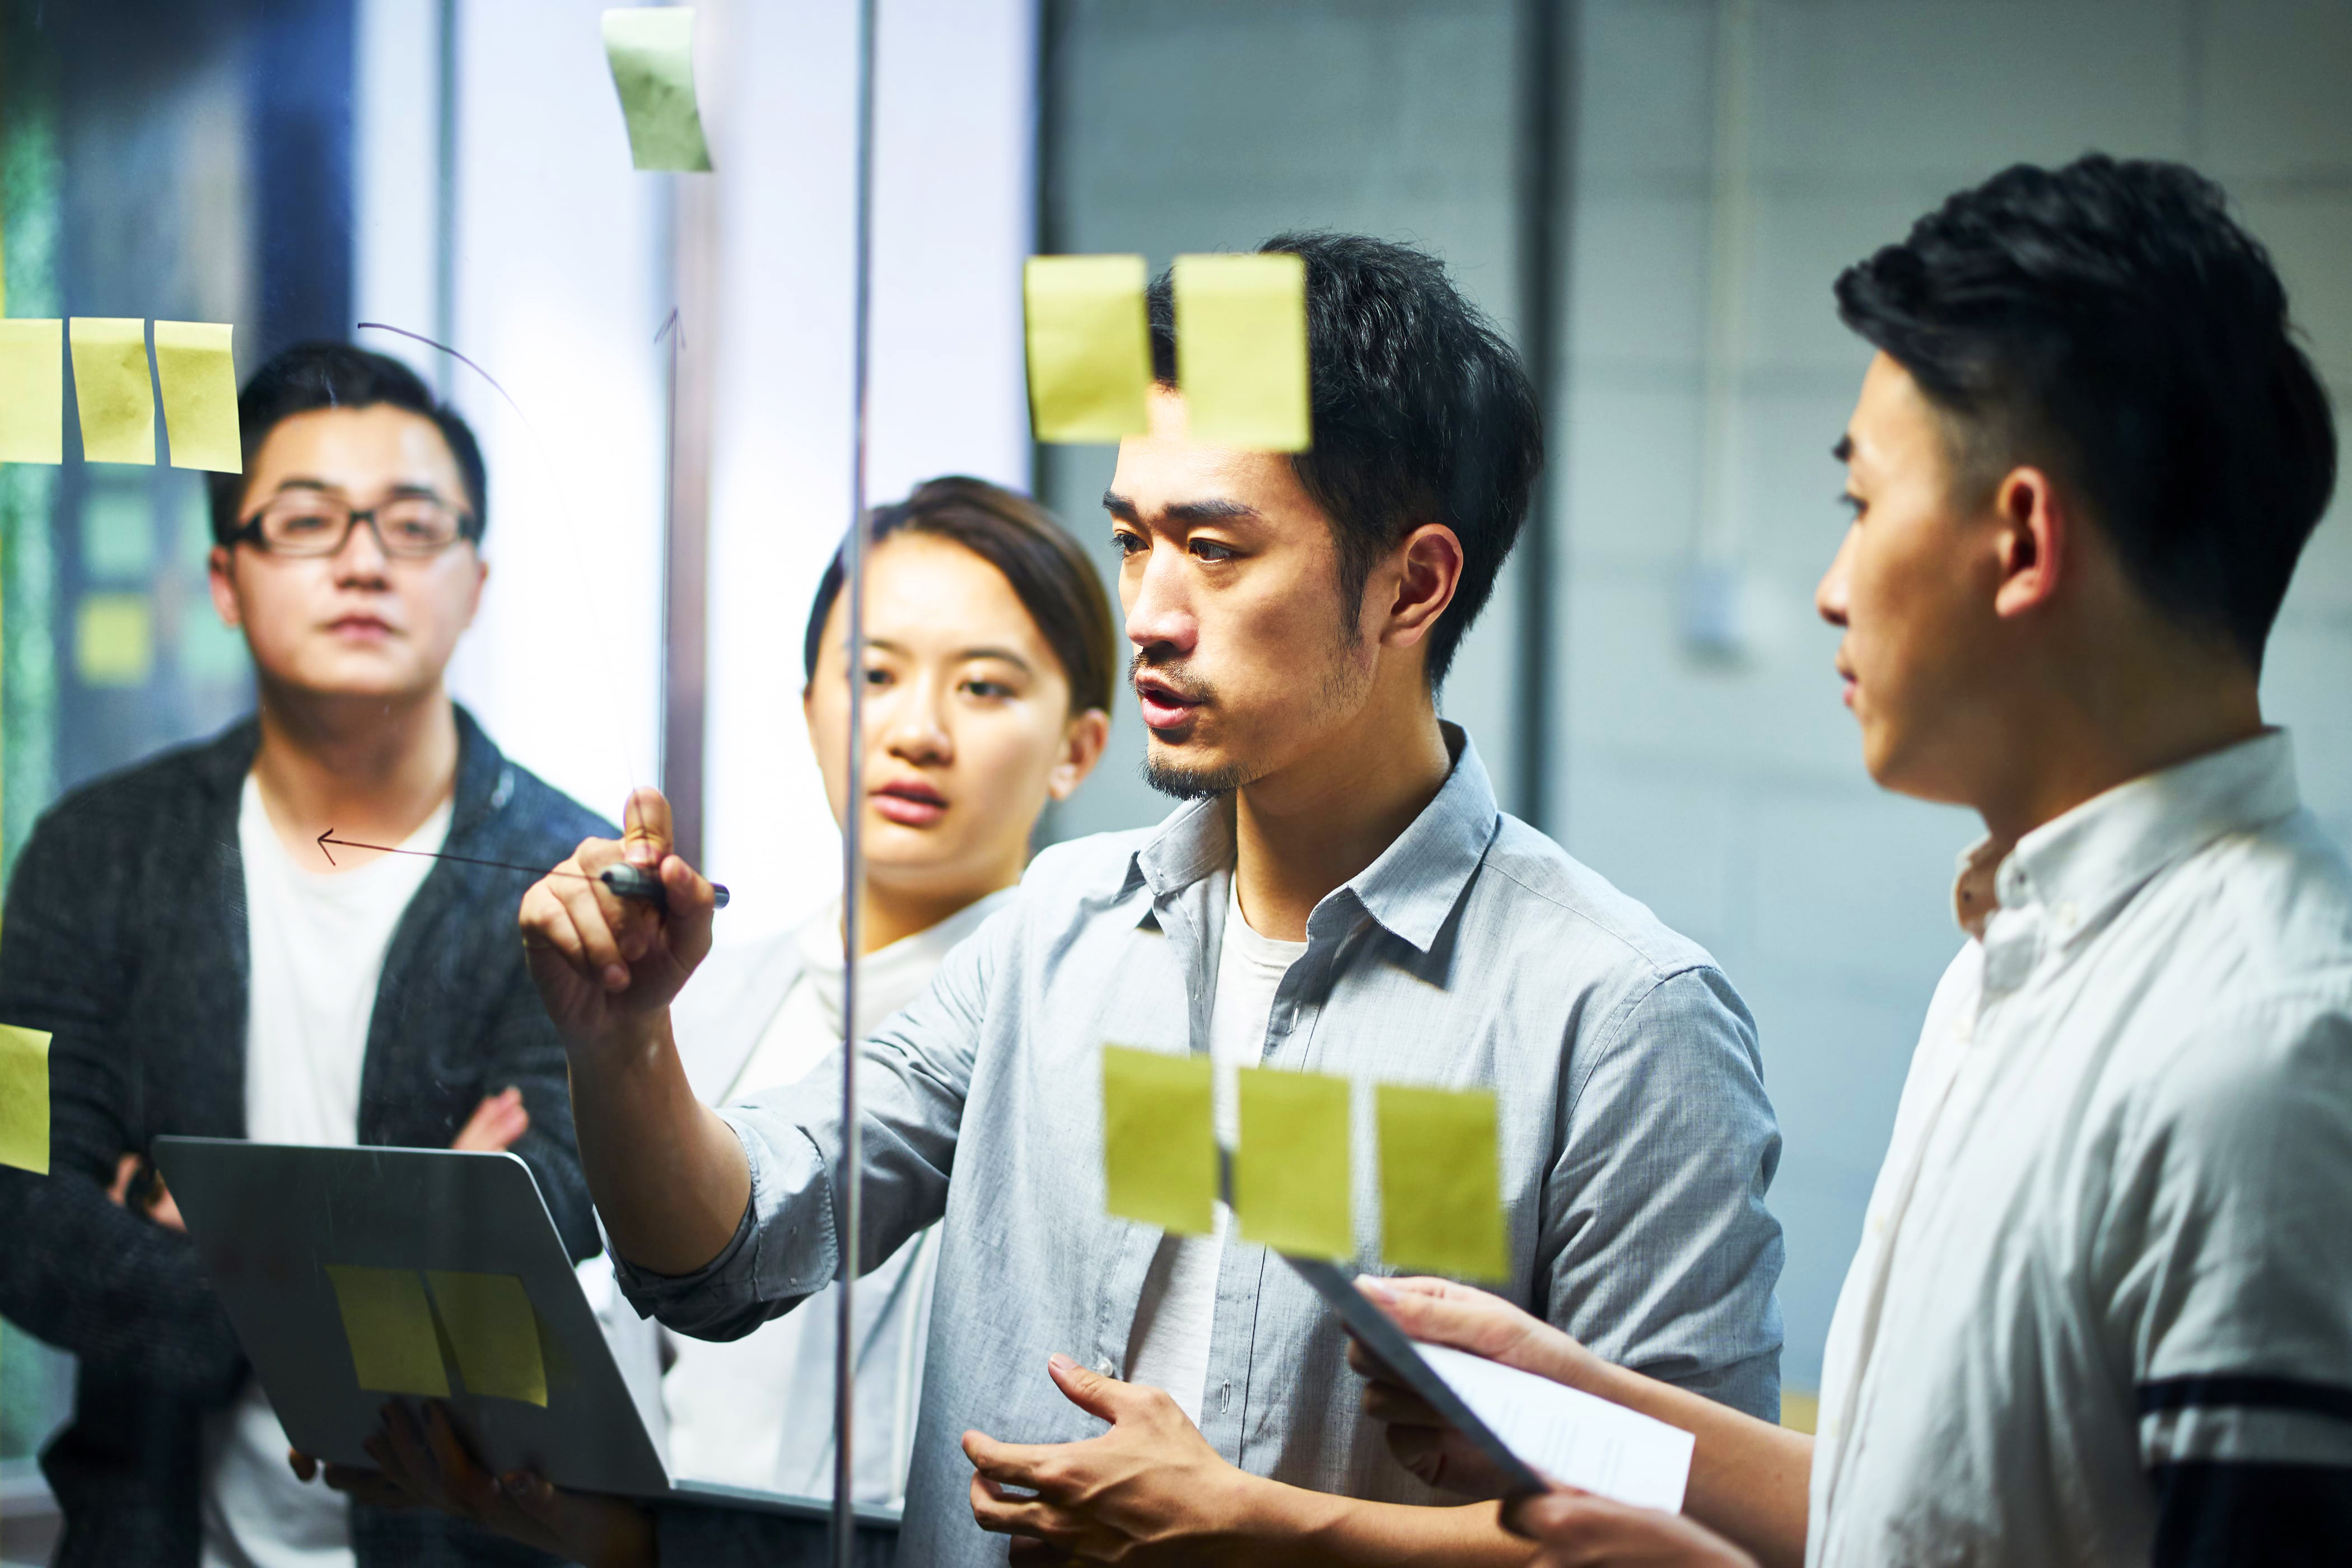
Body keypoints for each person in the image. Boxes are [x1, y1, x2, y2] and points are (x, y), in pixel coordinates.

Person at [516, 232, 1786, 1565]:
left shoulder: (1620, 1018)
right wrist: (624, 1039)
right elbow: (730, 1245)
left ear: (1413, 583)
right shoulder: (1057, 926)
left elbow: (1682, 1534)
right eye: (1132, 540)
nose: (1150, 614)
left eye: (1217, 551)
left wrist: (1272, 1534)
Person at [1353, 155, 2352, 1566]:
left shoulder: (2263, 1048)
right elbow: (1928, 1514)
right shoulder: (2025, 951)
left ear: (2019, 539)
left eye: (1863, 503)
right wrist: (1574, 1402)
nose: (1832, 584)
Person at [306, 476, 1115, 1565]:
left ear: (1079, 745)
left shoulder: (1094, 1036)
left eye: (983, 686)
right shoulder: (690, 1000)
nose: (916, 730)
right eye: (872, 673)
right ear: (808, 708)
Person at [0, 342, 610, 1568]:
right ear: (226, 578)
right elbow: (21, 1205)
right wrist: (415, 1221)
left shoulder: (567, 873)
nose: (364, 559)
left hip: (470, 1544)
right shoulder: (95, 853)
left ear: (477, 577)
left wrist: (216, 1235)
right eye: (306, 521)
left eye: (413, 522)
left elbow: (559, 1205)